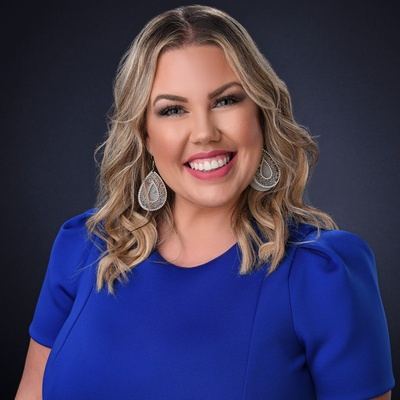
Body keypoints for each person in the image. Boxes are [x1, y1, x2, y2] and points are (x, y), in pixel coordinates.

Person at [15, 5, 394, 400]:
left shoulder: (322, 275)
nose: (204, 133)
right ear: (145, 135)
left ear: (261, 114)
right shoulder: (83, 246)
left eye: (225, 101)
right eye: (173, 110)